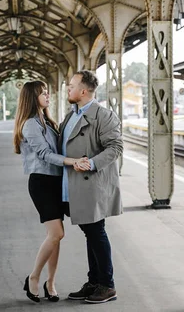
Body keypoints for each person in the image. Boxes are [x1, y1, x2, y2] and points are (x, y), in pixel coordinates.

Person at [13, 81, 89, 303]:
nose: (47, 95)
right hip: (42, 183)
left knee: (55, 237)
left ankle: (51, 283)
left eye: (48, 91)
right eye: (42, 93)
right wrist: (72, 161)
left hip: (56, 181)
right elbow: (45, 155)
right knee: (57, 234)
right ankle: (34, 278)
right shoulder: (30, 125)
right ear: (31, 97)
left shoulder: (46, 121)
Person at [59, 70, 123, 304]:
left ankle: (107, 285)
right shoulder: (71, 115)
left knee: (96, 232)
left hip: (91, 184)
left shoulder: (104, 116)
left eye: (71, 85)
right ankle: (95, 281)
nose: (68, 88)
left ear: (83, 91)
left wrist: (91, 164)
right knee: (91, 233)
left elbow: (115, 147)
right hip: (73, 184)